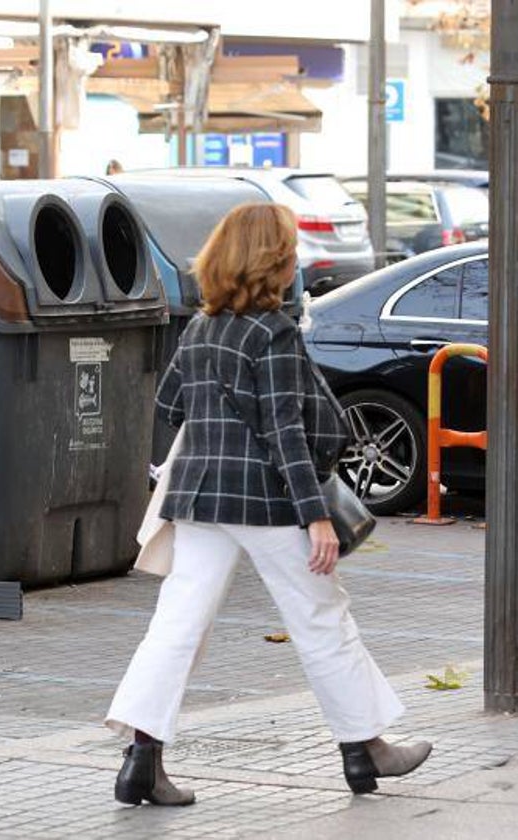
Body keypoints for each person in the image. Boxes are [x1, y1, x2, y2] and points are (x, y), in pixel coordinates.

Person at [104, 203, 431, 806]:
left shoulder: (201, 327)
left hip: (200, 497)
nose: (295, 260)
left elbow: (170, 404)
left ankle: (140, 760)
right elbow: (284, 429)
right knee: (321, 617)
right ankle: (365, 747)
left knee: (177, 627)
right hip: (267, 500)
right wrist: (317, 517)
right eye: (289, 250)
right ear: (271, 260)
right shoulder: (271, 330)